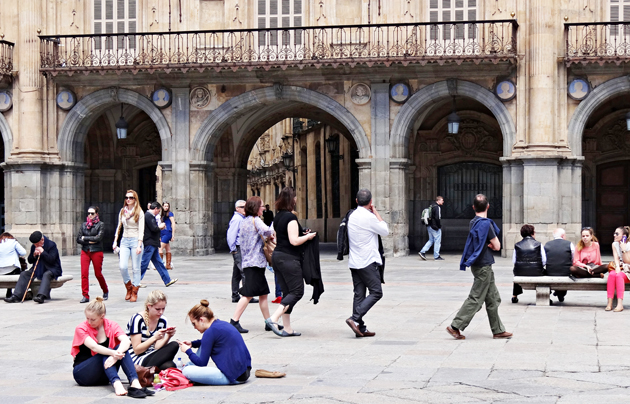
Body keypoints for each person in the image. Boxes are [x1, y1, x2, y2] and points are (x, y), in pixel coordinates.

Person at [447, 194, 512, 340]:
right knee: (476, 298)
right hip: (484, 266)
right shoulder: (486, 224)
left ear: (473, 207)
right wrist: (492, 244)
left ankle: (498, 330)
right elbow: (497, 246)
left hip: (480, 265)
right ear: (488, 206)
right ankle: (455, 326)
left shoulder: (473, 222)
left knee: (493, 299)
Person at [71, 297, 151, 398]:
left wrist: (117, 354)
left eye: (93, 319)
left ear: (102, 316)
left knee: (121, 348)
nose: (89, 322)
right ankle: (116, 383)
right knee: (109, 351)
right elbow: (94, 347)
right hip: (82, 373)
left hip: (103, 374)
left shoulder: (111, 325)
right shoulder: (81, 328)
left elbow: (126, 341)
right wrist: (113, 353)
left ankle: (135, 382)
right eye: (87, 318)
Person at [266, 187, 317, 337]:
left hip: (278, 256)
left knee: (287, 292)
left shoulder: (278, 217)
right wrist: (308, 237)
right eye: (294, 197)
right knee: (297, 291)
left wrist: (302, 233)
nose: (296, 199)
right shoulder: (291, 218)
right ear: (291, 200)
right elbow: (294, 241)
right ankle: (274, 318)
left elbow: (277, 237)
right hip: (289, 258)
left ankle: (287, 328)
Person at [345, 188, 389, 338]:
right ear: (370, 202)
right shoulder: (369, 217)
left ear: (356, 201)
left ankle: (360, 327)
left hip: (354, 261)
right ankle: (355, 318)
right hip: (367, 261)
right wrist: (375, 212)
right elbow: (385, 230)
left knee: (359, 294)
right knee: (376, 292)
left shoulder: (352, 215)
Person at [178, 299, 252, 385]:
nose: (194, 327)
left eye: (194, 323)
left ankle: (186, 368)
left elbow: (202, 363)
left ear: (201, 320)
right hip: (244, 372)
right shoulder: (220, 324)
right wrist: (193, 343)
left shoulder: (210, 332)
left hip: (233, 377)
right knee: (201, 347)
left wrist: (188, 351)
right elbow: (208, 342)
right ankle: (189, 367)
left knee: (187, 371)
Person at [229, 196, 274, 334]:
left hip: (249, 261)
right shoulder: (256, 220)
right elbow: (268, 231)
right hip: (255, 262)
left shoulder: (244, 221)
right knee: (248, 294)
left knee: (263, 294)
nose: (263, 208)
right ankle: (234, 321)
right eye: (261, 206)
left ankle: (268, 322)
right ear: (256, 208)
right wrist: (273, 225)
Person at [5, 231, 63, 304]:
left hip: (51, 268)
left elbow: (51, 260)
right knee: (24, 274)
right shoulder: (34, 246)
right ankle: (16, 296)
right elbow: (30, 261)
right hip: (38, 268)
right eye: (34, 244)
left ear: (42, 240)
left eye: (37, 244)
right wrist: (34, 255)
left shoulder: (51, 245)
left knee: (46, 274)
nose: (36, 245)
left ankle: (41, 296)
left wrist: (43, 252)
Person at [126, 289, 178, 370]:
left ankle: (148, 373)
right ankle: (144, 372)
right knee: (174, 345)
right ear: (149, 306)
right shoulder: (137, 319)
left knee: (170, 365)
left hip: (151, 355)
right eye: (158, 309)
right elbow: (137, 350)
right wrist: (154, 338)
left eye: (163, 309)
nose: (161, 312)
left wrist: (168, 336)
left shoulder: (162, 320)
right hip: (136, 359)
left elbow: (157, 347)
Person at [112, 190, 144, 303]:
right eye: (126, 197)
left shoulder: (139, 212)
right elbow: (119, 227)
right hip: (124, 240)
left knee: (136, 268)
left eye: (131, 197)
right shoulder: (122, 211)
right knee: (122, 266)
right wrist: (115, 241)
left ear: (135, 199)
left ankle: (134, 291)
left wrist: (139, 245)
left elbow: (141, 230)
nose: (128, 199)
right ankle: (128, 287)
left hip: (135, 240)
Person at [141, 202, 178, 290]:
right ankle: (136, 281)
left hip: (153, 243)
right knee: (144, 263)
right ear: (156, 208)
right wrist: (160, 227)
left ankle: (167, 280)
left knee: (159, 263)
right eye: (159, 210)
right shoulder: (148, 216)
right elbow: (154, 228)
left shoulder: (150, 216)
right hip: (149, 243)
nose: (158, 213)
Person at [77, 206, 108, 303]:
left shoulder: (101, 224)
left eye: (92, 213)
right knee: (84, 274)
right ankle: (85, 295)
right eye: (89, 213)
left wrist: (85, 238)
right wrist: (90, 240)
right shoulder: (83, 225)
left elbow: (98, 238)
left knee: (98, 274)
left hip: (96, 251)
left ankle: (105, 290)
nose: (90, 215)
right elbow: (78, 239)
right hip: (85, 251)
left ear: (97, 214)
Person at [511, 224, 546, 303]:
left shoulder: (517, 245)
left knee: (517, 271)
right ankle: (546, 294)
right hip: (537, 272)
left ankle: (514, 295)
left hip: (520, 272)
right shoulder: (539, 244)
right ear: (532, 233)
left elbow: (514, 261)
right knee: (546, 273)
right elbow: (544, 260)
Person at [544, 228, 575, 303]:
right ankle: (560, 293)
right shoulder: (569, 244)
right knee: (566, 271)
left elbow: (544, 259)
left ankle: (558, 293)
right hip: (565, 272)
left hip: (550, 271)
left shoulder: (547, 244)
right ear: (563, 235)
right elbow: (573, 258)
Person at [606, 226, 630, 312]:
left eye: (617, 234)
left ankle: (620, 304)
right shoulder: (614, 244)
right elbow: (616, 258)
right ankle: (609, 303)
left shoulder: (629, 245)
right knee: (612, 275)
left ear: (624, 235)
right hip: (620, 267)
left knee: (619, 276)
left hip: (628, 269)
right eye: (614, 233)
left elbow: (628, 260)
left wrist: (624, 250)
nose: (614, 235)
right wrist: (617, 267)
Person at [0, 232, 27, 298]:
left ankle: (9, 292)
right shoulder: (13, 242)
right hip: (12, 268)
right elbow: (23, 252)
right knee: (21, 271)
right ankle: (12, 292)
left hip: (0, 270)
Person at [419, 196, 445, 261]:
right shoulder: (437, 207)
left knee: (431, 240)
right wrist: (439, 226)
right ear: (438, 201)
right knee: (437, 241)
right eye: (442, 200)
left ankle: (422, 252)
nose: (443, 201)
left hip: (429, 226)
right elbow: (437, 218)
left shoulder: (431, 206)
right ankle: (436, 256)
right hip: (435, 227)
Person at [159, 201, 176, 270]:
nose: (166, 207)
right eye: (165, 206)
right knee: (167, 248)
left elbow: (173, 223)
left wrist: (173, 235)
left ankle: (160, 265)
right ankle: (168, 265)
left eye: (167, 206)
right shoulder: (162, 214)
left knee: (159, 248)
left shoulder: (170, 214)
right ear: (162, 206)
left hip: (167, 232)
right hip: (162, 232)